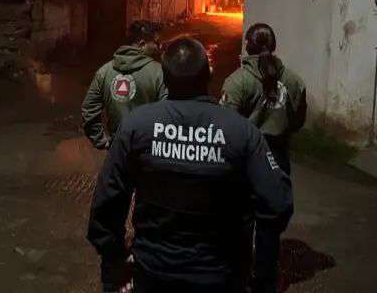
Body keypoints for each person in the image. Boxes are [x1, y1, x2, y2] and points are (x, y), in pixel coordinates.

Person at [87, 37, 293, 292]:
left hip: (153, 273)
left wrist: (113, 258)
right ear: (209, 73)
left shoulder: (136, 126)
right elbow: (277, 202)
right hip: (221, 276)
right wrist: (261, 271)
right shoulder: (242, 132)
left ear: (163, 77)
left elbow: (107, 199)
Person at [220, 22, 307, 293]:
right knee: (270, 225)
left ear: (248, 45)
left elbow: (227, 128)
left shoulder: (238, 81)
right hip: (277, 159)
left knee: (240, 221)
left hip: (245, 163)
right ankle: (265, 282)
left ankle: (240, 278)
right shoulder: (294, 81)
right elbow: (298, 120)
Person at [82, 20, 168, 150]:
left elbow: (88, 109)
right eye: (156, 43)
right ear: (142, 44)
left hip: (117, 148)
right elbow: (168, 113)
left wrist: (102, 141)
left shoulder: (104, 71)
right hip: (149, 149)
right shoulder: (159, 72)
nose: (159, 47)